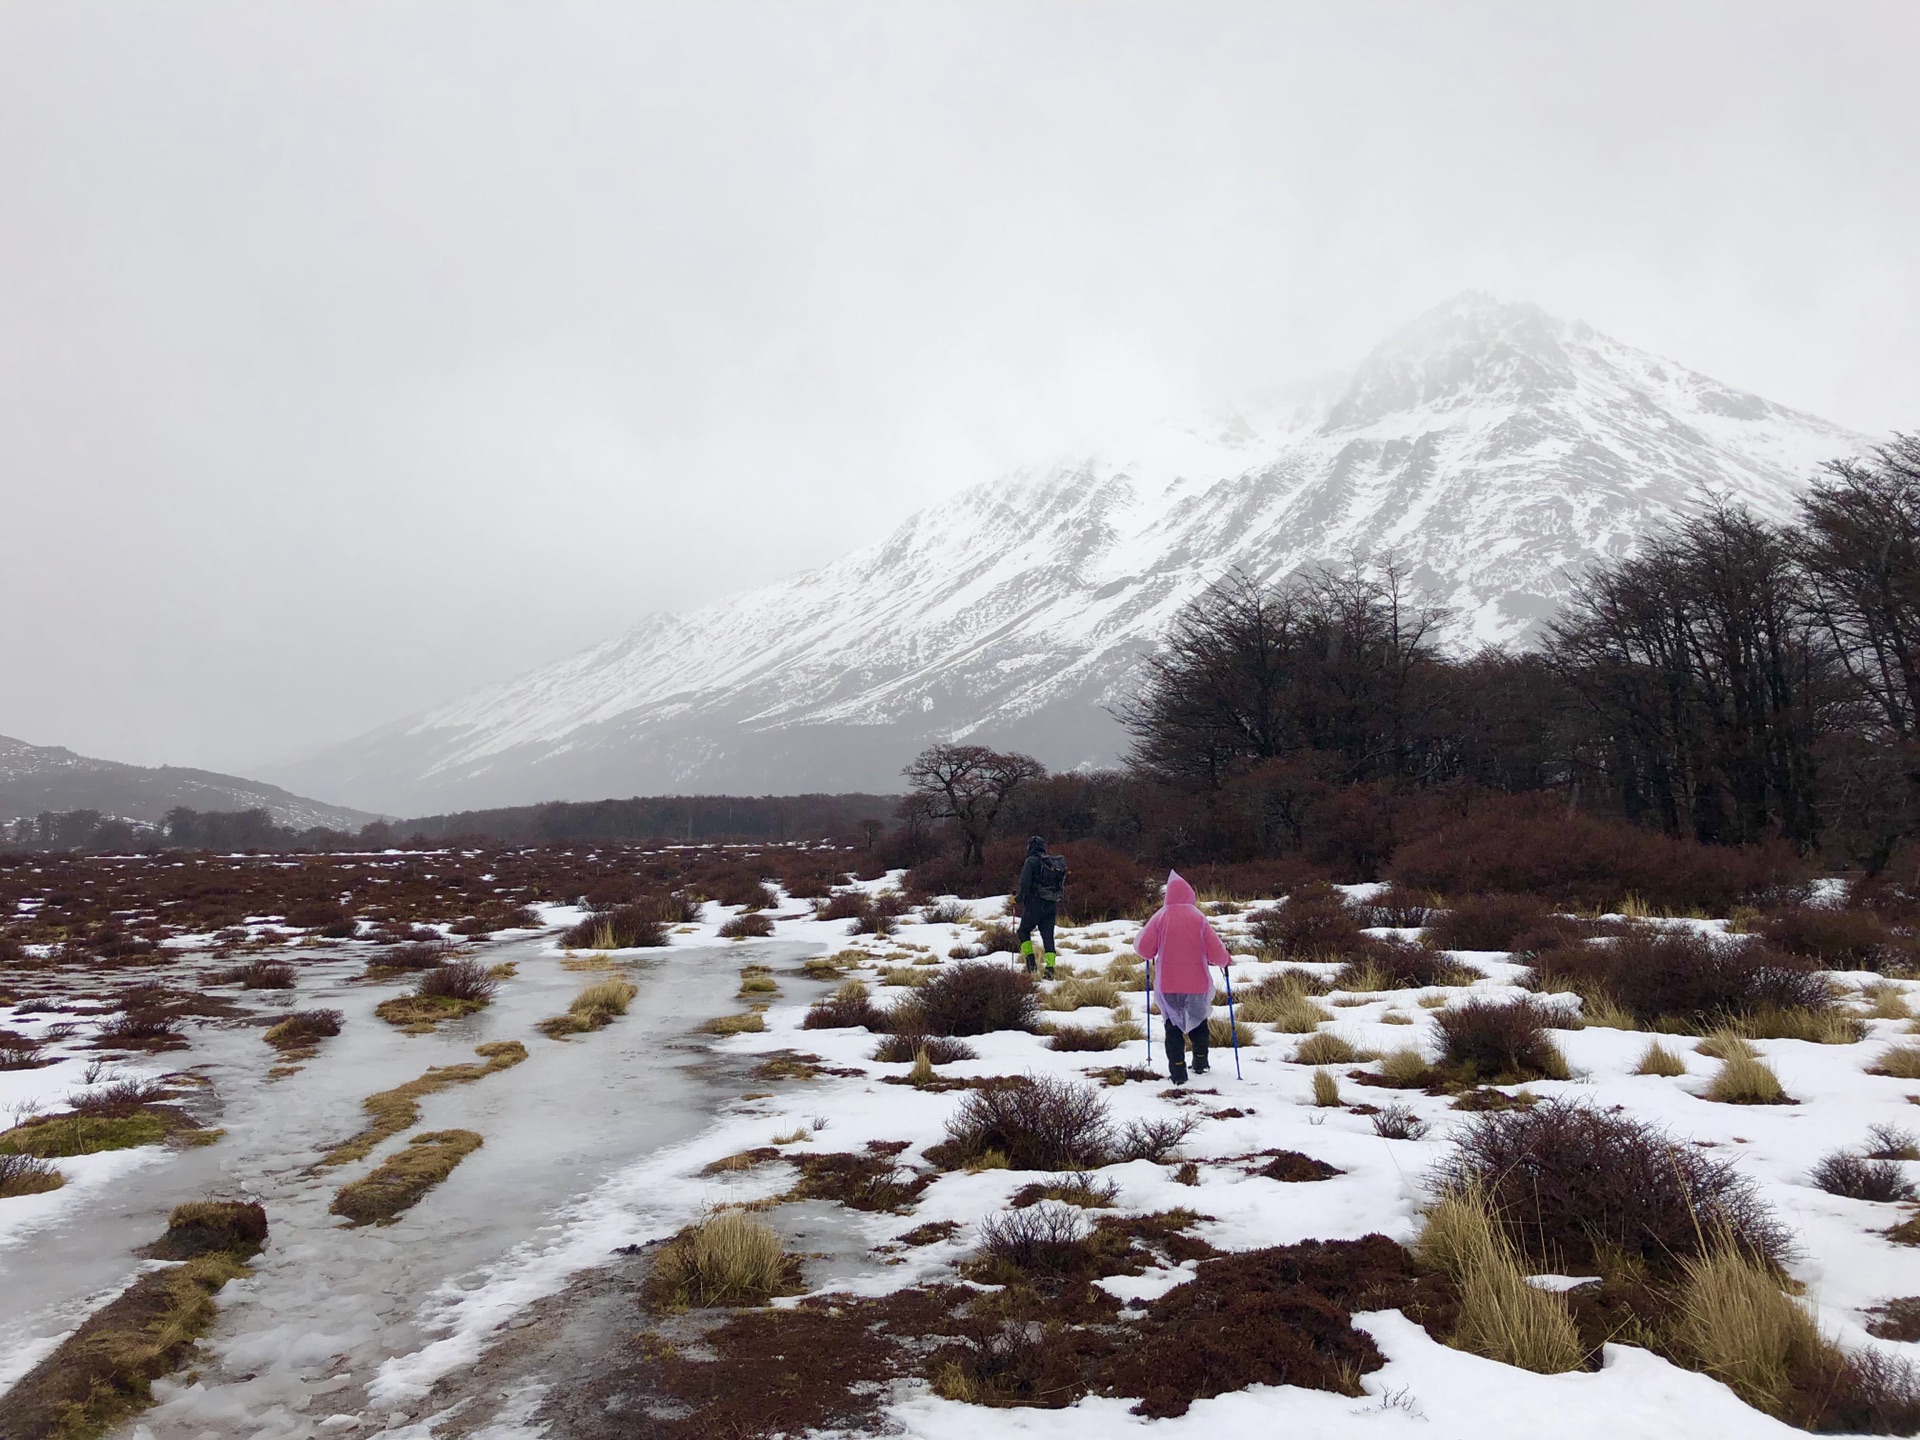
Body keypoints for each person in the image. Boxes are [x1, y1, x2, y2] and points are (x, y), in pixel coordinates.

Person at [1134, 870, 1231, 1084]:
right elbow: (1216, 952)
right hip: (1197, 982)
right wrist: (1225, 960)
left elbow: (1143, 948)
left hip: (1168, 984)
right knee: (1199, 1022)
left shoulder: (1160, 917)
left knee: (1173, 1026)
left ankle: (1177, 1072)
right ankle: (1200, 1061)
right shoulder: (1198, 917)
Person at [1014, 835, 1065, 976]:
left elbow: (1024, 884)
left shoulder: (1030, 862)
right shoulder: (1051, 863)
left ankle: (1031, 965)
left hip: (1034, 904)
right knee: (1048, 936)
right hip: (1051, 903)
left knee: (1023, 932)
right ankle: (1050, 969)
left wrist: (1018, 899)